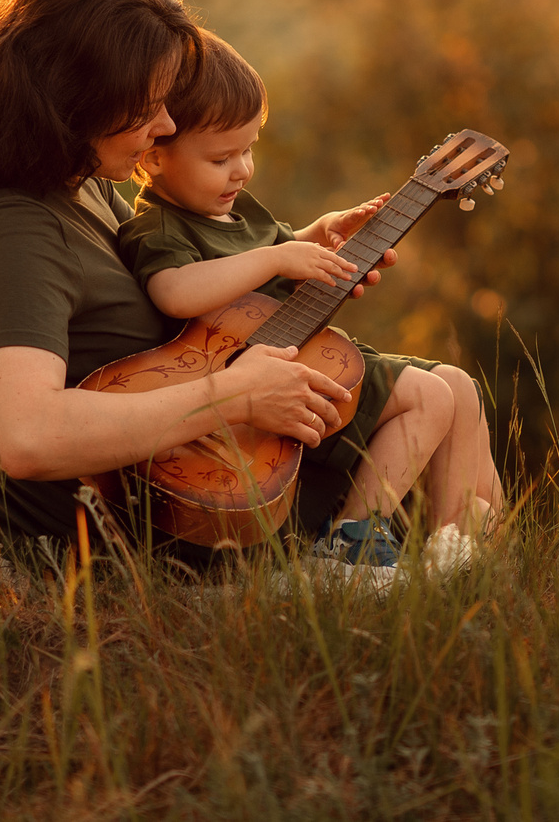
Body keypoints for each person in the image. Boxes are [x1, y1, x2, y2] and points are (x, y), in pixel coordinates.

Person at [0, 0, 377, 567]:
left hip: (182, 483)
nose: (165, 126)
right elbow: (25, 436)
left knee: (438, 402)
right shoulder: (12, 231)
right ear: (75, 100)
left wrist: (298, 249)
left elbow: (180, 285)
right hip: (118, 538)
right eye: (146, 106)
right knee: (423, 408)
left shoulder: (74, 177)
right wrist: (234, 396)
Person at [123, 32, 502, 564]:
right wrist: (278, 260)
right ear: (154, 157)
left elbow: (267, 260)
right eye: (220, 158)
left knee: (458, 383)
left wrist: (316, 235)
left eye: (249, 149)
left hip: (301, 351)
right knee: (431, 396)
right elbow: (175, 292)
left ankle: (457, 543)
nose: (241, 169)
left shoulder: (235, 209)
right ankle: (352, 540)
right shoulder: (157, 227)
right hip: (251, 391)